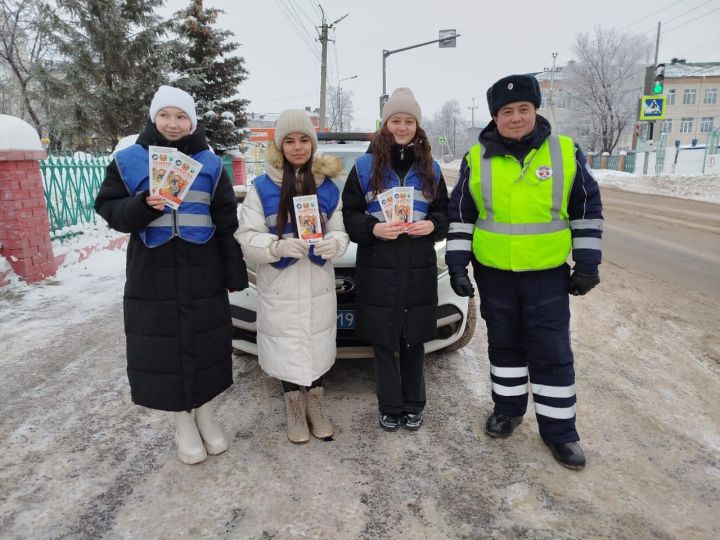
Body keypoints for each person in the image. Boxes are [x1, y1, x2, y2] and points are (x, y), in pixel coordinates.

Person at [445, 74, 603, 469]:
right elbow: (461, 216)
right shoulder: (476, 158)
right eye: (506, 112)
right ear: (495, 117)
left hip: (545, 274)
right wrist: (457, 265)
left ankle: (560, 433)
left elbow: (586, 211)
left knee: (551, 351)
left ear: (535, 111)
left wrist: (586, 264)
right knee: (504, 346)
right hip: (494, 272)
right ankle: (508, 410)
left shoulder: (564, 152)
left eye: (523, 110)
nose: (515, 118)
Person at [94, 85, 248, 465]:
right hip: (153, 272)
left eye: (181, 116)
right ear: (153, 117)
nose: (173, 123)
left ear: (192, 121)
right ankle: (182, 420)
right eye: (165, 115)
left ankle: (206, 413)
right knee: (163, 348)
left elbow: (226, 220)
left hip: (203, 269)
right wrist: (142, 206)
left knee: (208, 344)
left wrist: (233, 272)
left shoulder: (210, 164)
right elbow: (109, 208)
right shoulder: (128, 160)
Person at [234, 110, 349, 444]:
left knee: (316, 342)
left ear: (312, 144)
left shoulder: (329, 187)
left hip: (317, 281)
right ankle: (294, 408)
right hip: (281, 284)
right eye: (289, 141)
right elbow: (247, 237)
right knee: (286, 345)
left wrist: (334, 244)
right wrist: (276, 247)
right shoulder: (261, 187)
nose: (297, 147)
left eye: (303, 140)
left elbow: (341, 231)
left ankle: (316, 405)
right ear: (278, 145)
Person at [342, 87, 449, 432]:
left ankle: (414, 403)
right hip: (378, 265)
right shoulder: (363, 166)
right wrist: (373, 230)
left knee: (414, 339)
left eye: (408, 121)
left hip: (418, 264)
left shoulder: (430, 168)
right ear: (385, 124)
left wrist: (432, 225)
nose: (402, 127)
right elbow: (351, 215)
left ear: (417, 126)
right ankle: (389, 405)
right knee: (385, 341)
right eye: (395, 120)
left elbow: (446, 213)